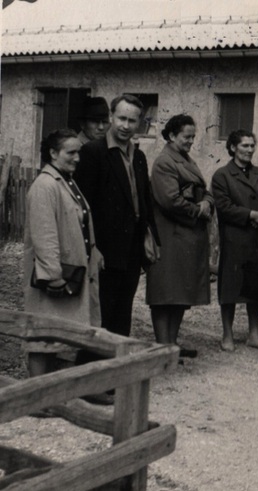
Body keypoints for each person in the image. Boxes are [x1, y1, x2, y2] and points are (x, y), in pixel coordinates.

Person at [75, 94, 159, 341]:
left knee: (123, 314)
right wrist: (93, 247)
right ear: (111, 117)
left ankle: (115, 369)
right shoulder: (93, 152)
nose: (125, 126)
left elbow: (144, 201)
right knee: (101, 315)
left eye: (132, 121)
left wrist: (150, 237)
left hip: (131, 251)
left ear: (139, 123)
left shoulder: (140, 157)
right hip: (104, 251)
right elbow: (83, 207)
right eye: (121, 118)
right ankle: (94, 371)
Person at [23, 129, 102, 376]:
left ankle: (59, 394)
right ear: (53, 153)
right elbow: (44, 236)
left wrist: (94, 251)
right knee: (43, 336)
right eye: (71, 152)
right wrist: (53, 276)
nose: (77, 158)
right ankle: (38, 395)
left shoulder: (66, 180)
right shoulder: (45, 185)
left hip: (73, 271)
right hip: (56, 276)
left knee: (66, 336)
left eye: (79, 152)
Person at [146, 114, 214, 358]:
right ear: (172, 135)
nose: (190, 141)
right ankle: (162, 347)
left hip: (185, 237)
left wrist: (206, 200)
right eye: (186, 136)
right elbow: (170, 201)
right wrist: (199, 210)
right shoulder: (165, 162)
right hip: (170, 236)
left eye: (193, 136)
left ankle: (172, 344)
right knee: (165, 293)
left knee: (180, 293)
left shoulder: (185, 160)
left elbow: (203, 190)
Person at [211, 129, 258, 353]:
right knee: (230, 288)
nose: (249, 150)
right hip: (234, 239)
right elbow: (224, 207)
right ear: (233, 148)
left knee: (255, 287)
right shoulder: (222, 175)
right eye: (244, 145)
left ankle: (254, 334)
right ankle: (227, 334)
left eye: (252, 145)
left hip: (257, 238)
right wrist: (252, 215)